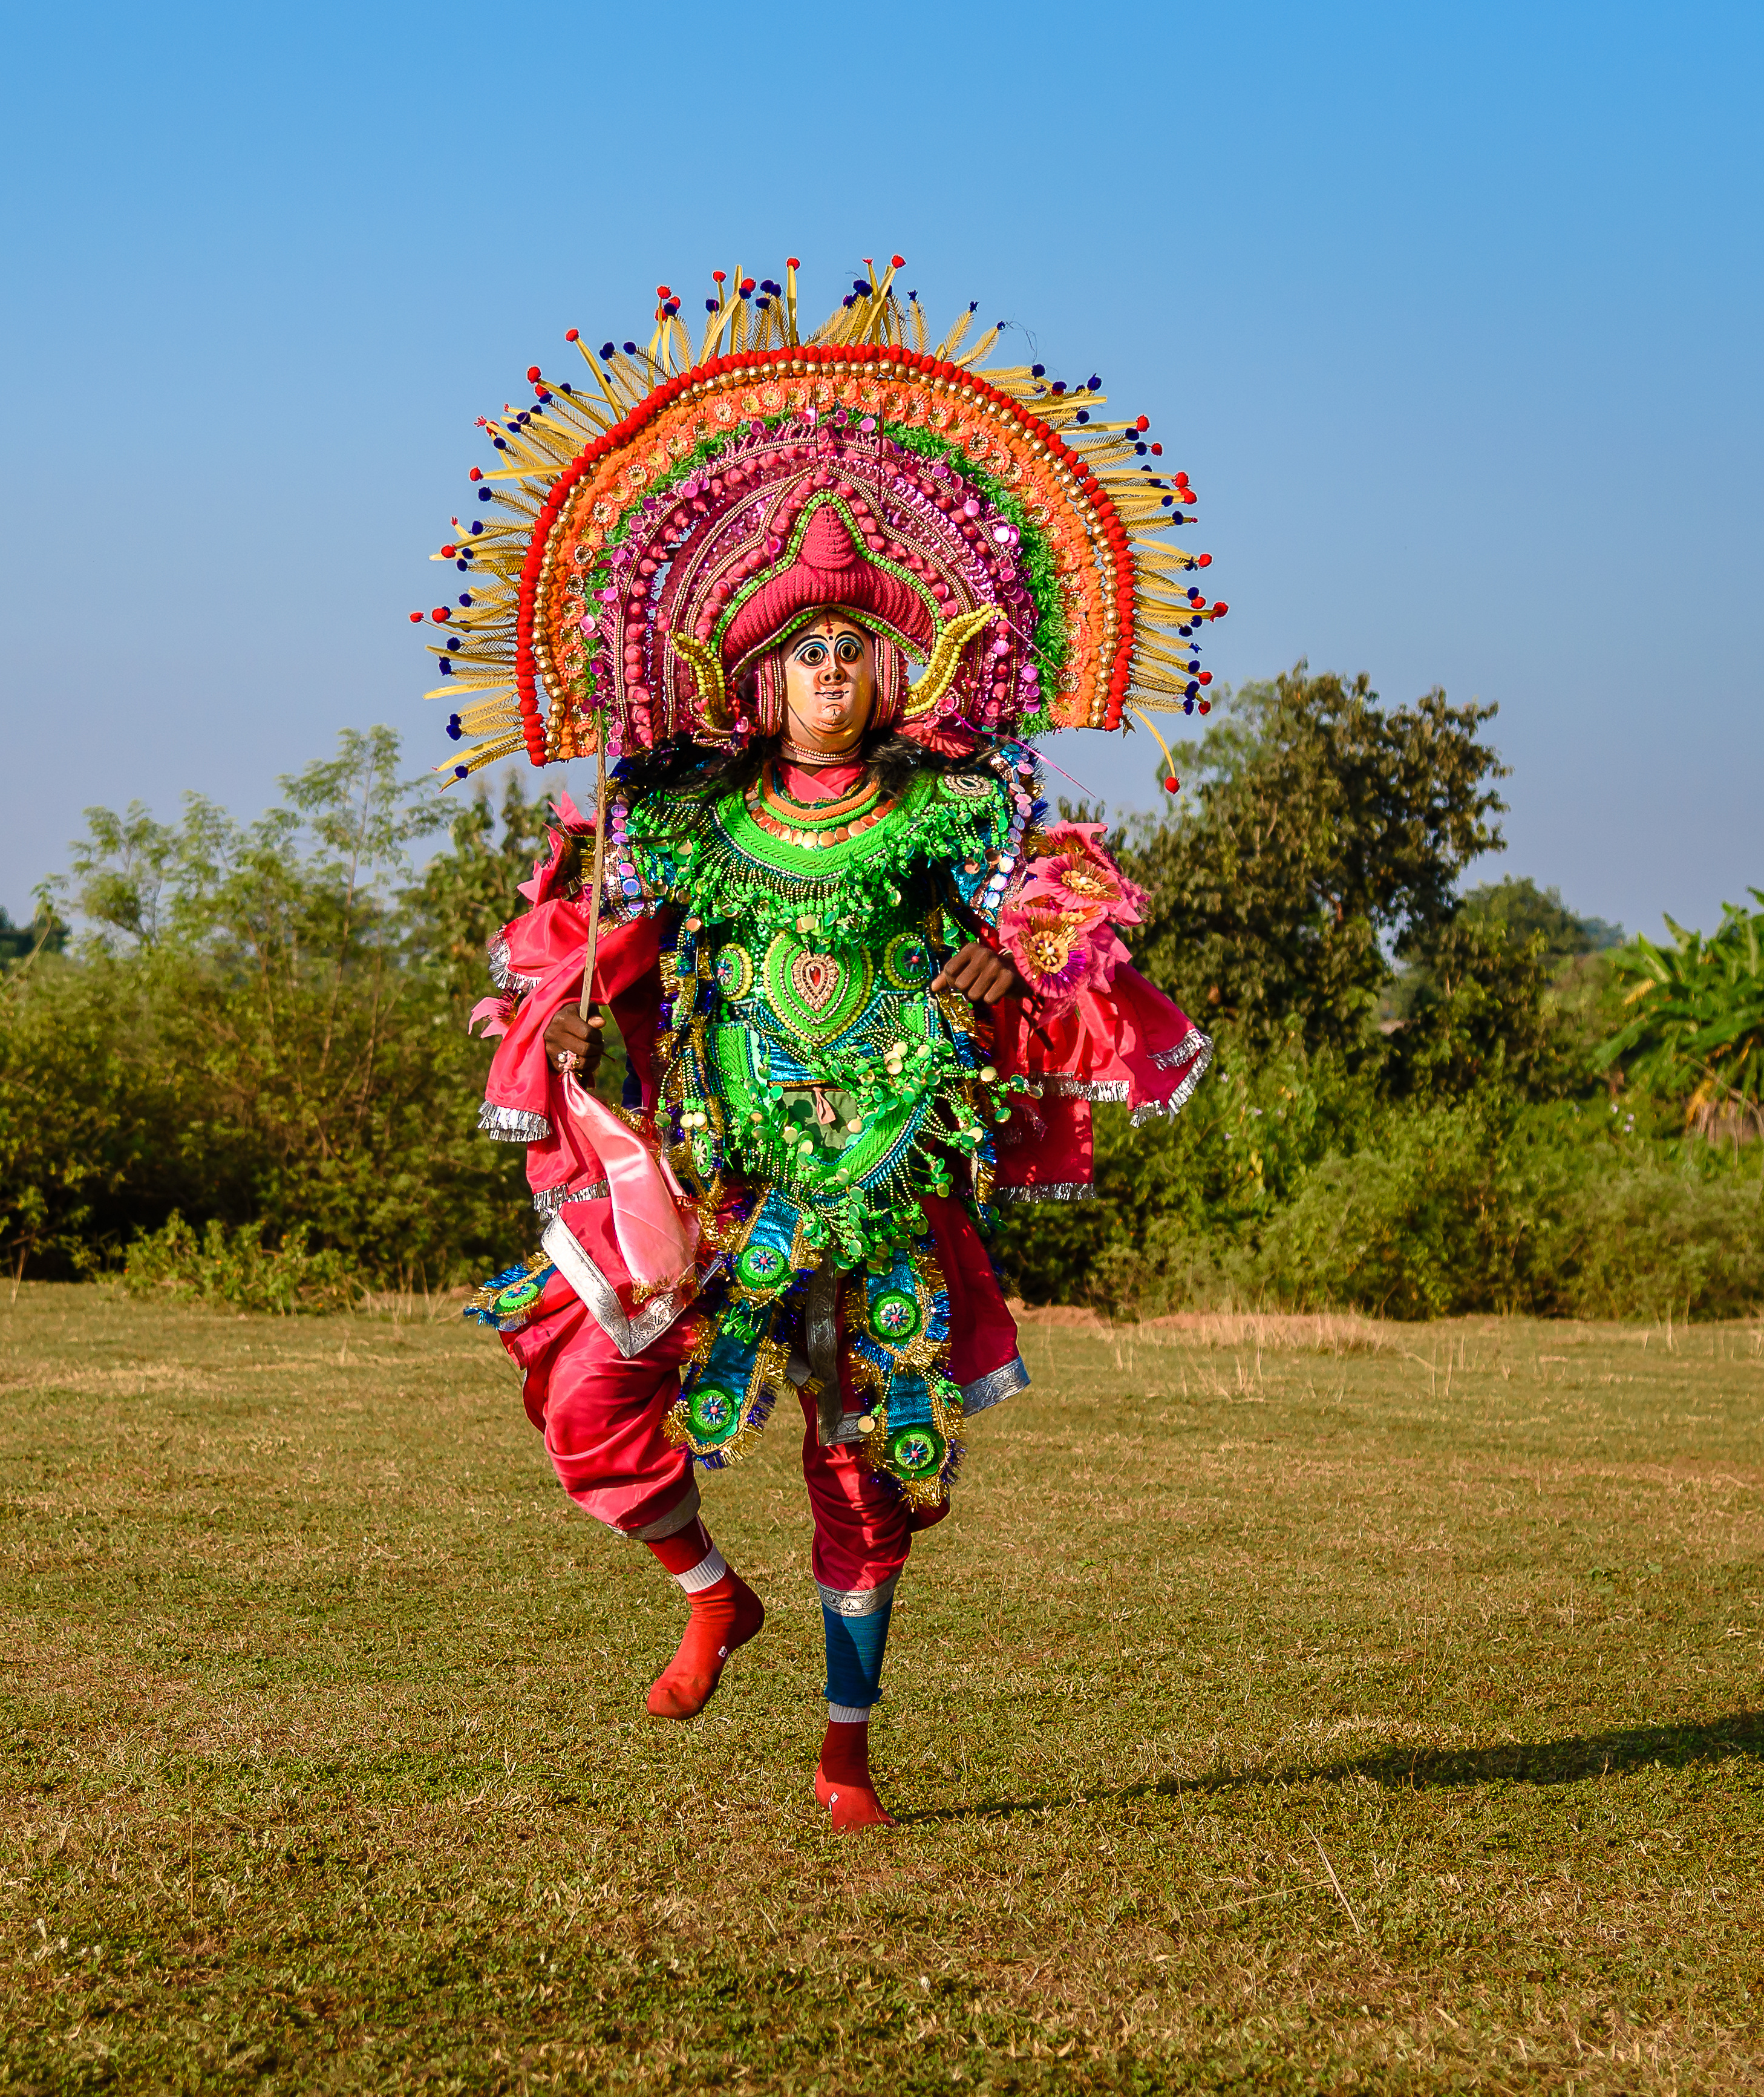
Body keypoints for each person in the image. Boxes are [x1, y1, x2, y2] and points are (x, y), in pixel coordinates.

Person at [437, 260, 1218, 1829]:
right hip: (720, 1172)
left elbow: (1067, 907)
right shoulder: (690, 814)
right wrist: (585, 1007)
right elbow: (604, 938)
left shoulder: (952, 804)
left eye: (859, 651)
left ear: (895, 669)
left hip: (880, 1170)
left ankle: (846, 1751)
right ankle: (708, 1593)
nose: (832, 675)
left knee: (864, 1476)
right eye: (807, 653)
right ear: (757, 668)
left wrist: (997, 962)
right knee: (585, 1383)